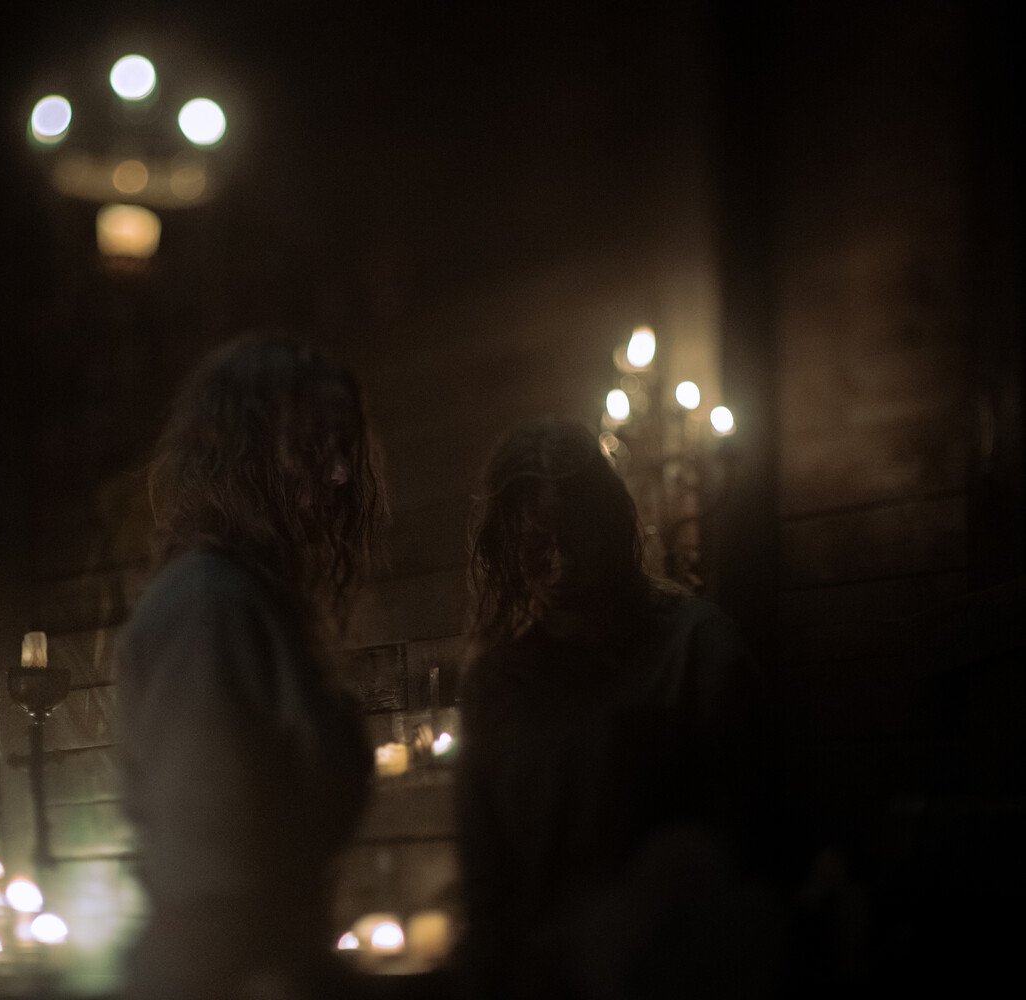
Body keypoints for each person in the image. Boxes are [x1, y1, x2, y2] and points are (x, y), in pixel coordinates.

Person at [454, 416, 779, 999]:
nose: (561, 563)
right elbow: (486, 879)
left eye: (574, 536)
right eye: (536, 546)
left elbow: (754, 845)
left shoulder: (697, 648)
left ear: (606, 524)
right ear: (508, 548)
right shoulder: (499, 683)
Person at [116, 335, 388, 1000]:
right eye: (314, 447)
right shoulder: (210, 605)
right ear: (247, 456)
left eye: (343, 448)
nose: (340, 475)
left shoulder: (241, 602)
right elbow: (213, 883)